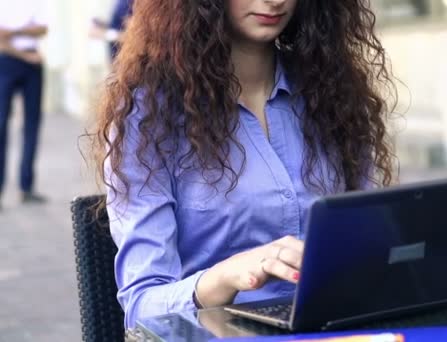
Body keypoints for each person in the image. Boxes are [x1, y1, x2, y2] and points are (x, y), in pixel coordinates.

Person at [93, 0, 396, 329]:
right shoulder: (149, 116)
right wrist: (224, 278)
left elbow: (374, 247)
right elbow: (142, 309)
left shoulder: (334, 94)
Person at [0, 1, 48, 209]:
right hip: (7, 61)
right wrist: (25, 54)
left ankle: (26, 187)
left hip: (32, 64)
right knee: (1, 126)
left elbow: (43, 29)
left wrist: (13, 31)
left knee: (32, 125)